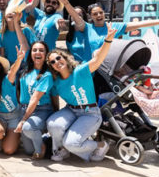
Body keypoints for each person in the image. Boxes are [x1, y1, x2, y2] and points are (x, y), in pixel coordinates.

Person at [45, 25, 117, 162]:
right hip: (71, 110)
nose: (56, 62)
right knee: (53, 124)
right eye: (52, 62)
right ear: (51, 67)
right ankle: (63, 150)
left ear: (64, 58)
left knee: (71, 142)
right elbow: (53, 98)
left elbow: (97, 60)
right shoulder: (56, 82)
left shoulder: (80, 71)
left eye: (58, 58)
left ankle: (100, 145)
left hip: (90, 113)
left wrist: (108, 40)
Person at [78, 0, 159, 56]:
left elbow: (141, 24)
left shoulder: (114, 26)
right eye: (95, 14)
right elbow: (74, 17)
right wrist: (66, 3)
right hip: (90, 68)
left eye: (101, 12)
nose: (99, 15)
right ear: (90, 16)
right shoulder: (87, 28)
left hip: (108, 68)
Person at [14, 41, 55, 159]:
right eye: (34, 50)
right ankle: (44, 139)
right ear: (31, 53)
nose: (38, 52)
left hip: (41, 110)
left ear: (46, 54)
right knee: (28, 150)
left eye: (41, 50)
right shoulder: (25, 71)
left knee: (28, 127)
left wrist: (23, 120)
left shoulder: (46, 75)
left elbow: (35, 99)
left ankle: (41, 147)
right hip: (24, 108)